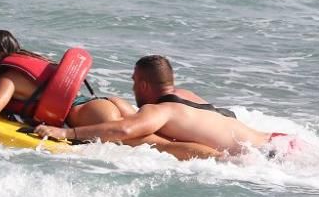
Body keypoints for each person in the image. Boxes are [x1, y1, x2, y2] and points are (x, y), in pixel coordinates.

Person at [0, 32, 219, 160]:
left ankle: (221, 159)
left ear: (1, 55)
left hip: (90, 114)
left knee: (160, 147)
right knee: (165, 142)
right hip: (104, 105)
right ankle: (220, 152)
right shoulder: (31, 64)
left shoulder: (9, 76)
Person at [35, 54, 296, 157]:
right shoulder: (189, 96)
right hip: (282, 142)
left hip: (266, 158)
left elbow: (124, 131)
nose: (133, 88)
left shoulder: (159, 111)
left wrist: (67, 133)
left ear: (145, 86)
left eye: (135, 82)